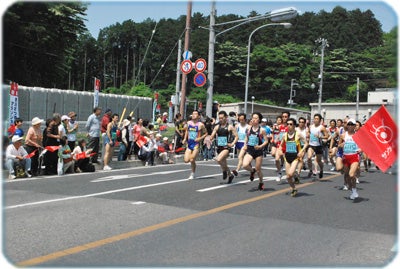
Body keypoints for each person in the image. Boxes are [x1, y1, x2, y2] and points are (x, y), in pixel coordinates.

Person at [279, 118, 308, 197]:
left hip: (295, 157)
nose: (289, 126)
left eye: (291, 124)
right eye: (287, 124)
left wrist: (301, 151)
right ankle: (294, 188)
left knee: (290, 174)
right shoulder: (285, 135)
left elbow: (306, 143)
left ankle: (295, 175)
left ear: (294, 126)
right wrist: (280, 151)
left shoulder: (298, 134)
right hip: (287, 157)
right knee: (288, 176)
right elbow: (281, 145)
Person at [241, 112, 269, 190]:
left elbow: (266, 141)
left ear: (259, 120)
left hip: (258, 151)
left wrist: (260, 146)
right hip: (250, 149)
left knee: (258, 169)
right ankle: (252, 171)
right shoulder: (248, 128)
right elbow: (246, 138)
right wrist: (245, 145)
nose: (254, 119)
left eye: (256, 118)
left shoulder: (262, 130)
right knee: (245, 165)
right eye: (253, 118)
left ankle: (261, 182)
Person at [210, 111, 239, 184]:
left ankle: (224, 171)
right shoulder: (217, 127)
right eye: (219, 118)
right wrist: (210, 137)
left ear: (226, 118)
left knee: (219, 160)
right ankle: (230, 174)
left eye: (222, 118)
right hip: (219, 147)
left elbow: (236, 137)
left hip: (226, 147)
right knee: (224, 163)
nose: (220, 119)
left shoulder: (230, 127)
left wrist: (232, 144)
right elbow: (212, 135)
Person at [338, 119, 361, 200]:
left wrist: (360, 149)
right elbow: (339, 145)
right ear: (347, 125)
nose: (350, 126)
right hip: (346, 157)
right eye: (349, 124)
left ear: (355, 126)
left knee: (351, 174)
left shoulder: (358, 135)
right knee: (347, 176)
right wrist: (341, 145)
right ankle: (352, 190)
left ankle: (354, 190)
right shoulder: (343, 135)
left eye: (352, 124)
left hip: (354, 156)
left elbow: (364, 145)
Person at [182, 110, 207, 179]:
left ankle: (192, 173)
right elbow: (187, 131)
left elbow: (206, 133)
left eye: (195, 114)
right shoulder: (189, 123)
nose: (193, 115)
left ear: (198, 116)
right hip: (189, 143)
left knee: (192, 159)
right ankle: (193, 164)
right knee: (186, 160)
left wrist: (200, 138)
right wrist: (184, 138)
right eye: (192, 114)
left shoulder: (201, 125)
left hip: (196, 144)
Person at [306, 113, 329, 179]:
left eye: (317, 119)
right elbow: (309, 133)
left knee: (318, 161)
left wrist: (320, 137)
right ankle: (310, 170)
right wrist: (308, 135)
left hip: (318, 146)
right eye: (314, 118)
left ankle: (321, 170)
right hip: (311, 145)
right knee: (309, 157)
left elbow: (327, 136)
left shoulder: (321, 127)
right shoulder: (311, 126)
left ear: (320, 120)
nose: (315, 120)